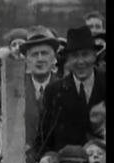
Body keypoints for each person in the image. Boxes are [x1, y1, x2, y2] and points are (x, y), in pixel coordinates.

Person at [37, 25, 106, 153]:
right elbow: (44, 139)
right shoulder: (54, 91)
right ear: (68, 59)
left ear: (94, 56)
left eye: (85, 55)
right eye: (74, 56)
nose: (80, 61)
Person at [20, 26, 59, 153]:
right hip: (21, 160)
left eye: (45, 53)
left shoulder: (64, 88)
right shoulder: (16, 90)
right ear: (26, 60)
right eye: (34, 54)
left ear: (53, 59)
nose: (40, 59)